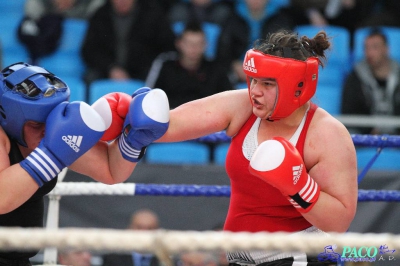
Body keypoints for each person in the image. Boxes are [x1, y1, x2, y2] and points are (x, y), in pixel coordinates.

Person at [155, 29, 357, 265]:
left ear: (297, 85)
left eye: (268, 83)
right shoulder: (244, 106)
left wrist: (299, 188)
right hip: (240, 259)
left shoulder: (326, 134)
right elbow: (172, 124)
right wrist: (129, 120)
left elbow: (339, 222)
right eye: (253, 80)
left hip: (298, 258)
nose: (255, 91)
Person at [0, 62, 170, 265]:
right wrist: (52, 153)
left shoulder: (54, 132)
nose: (47, 131)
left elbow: (111, 171)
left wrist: (132, 139)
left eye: (50, 121)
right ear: (10, 120)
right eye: (36, 125)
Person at [81, 0, 176, 86]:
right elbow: (89, 50)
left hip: (143, 70)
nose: (122, 1)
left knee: (162, 78)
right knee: (89, 78)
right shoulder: (100, 15)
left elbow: (167, 47)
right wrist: (111, 68)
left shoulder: (153, 14)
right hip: (106, 70)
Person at [145, 21, 233, 109]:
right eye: (189, 43)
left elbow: (230, 99)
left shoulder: (216, 69)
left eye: (199, 44)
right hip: (171, 118)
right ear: (179, 44)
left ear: (206, 45)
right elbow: (150, 96)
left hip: (207, 119)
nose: (194, 48)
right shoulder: (165, 65)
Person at [215, 0, 298, 86]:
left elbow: (287, 49)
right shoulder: (231, 18)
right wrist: (234, 65)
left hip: (271, 71)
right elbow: (223, 49)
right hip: (236, 74)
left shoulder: (281, 19)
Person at [341, 28, 400, 135]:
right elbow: (348, 112)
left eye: (375, 47)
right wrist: (368, 130)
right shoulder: (355, 76)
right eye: (366, 48)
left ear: (386, 49)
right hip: (366, 135)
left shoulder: (398, 74)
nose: (369, 53)